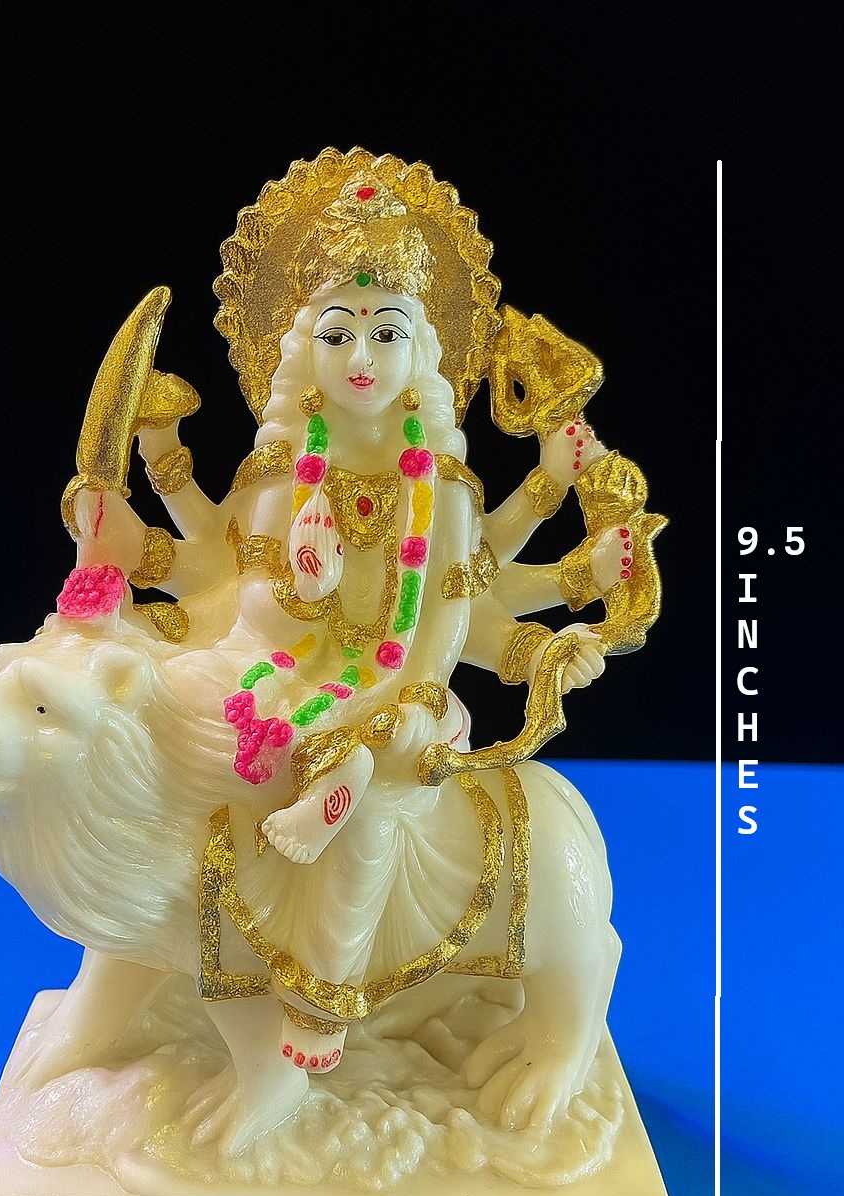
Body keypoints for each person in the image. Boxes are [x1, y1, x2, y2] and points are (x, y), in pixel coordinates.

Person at [65, 152, 638, 1072]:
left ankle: (321, 1005)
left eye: (386, 333)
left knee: (367, 804)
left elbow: (448, 620)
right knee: (169, 722)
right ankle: (162, 929)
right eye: (337, 335)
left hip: (403, 700)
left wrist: (429, 692)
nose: (361, 359)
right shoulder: (282, 475)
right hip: (284, 674)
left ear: (421, 352)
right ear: (304, 352)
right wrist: (292, 580)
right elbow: (236, 593)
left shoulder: (443, 489)